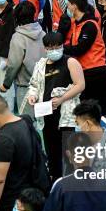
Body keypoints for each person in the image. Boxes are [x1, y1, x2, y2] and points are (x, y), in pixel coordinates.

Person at [26, 32, 83, 181]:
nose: (55, 50)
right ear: (45, 49)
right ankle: (55, 180)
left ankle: (70, 181)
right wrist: (32, 96)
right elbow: (34, 85)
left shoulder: (70, 62)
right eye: (51, 48)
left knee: (67, 153)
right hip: (46, 115)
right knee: (52, 152)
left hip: (66, 117)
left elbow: (80, 85)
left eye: (58, 47)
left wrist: (62, 99)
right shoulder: (41, 65)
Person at [62, 0, 106, 119]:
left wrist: (62, 48)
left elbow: (80, 48)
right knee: (86, 111)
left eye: (68, 5)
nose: (67, 8)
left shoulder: (89, 25)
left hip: (95, 72)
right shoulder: (77, 24)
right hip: (84, 71)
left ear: (74, 6)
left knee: (97, 111)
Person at [0, 1, 45, 114]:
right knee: (43, 123)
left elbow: (14, 64)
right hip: (44, 85)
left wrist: (6, 84)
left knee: (27, 124)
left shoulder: (18, 37)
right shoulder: (43, 34)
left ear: (16, 18)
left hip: (26, 87)